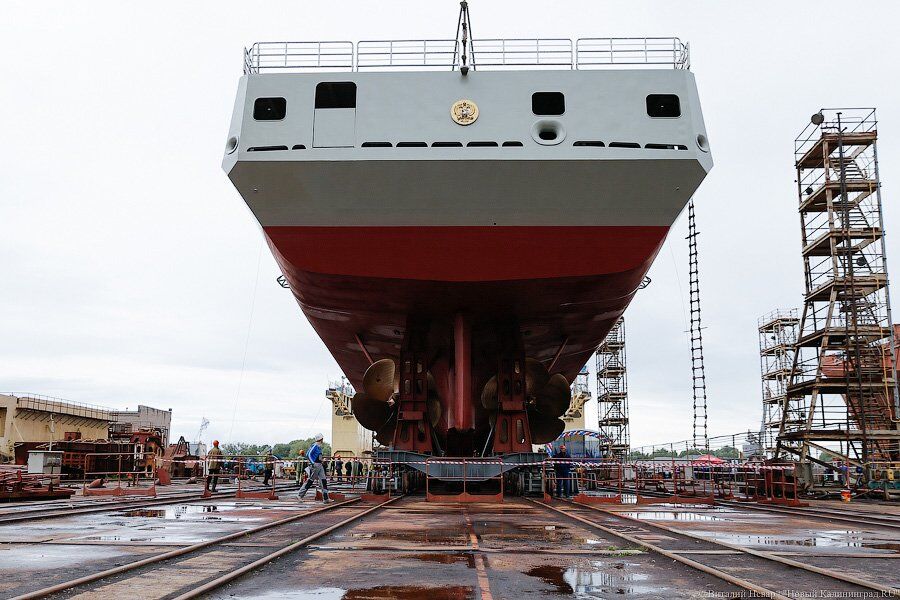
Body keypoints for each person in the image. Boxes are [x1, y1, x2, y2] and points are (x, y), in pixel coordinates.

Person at [298, 434, 331, 502]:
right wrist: (313, 463)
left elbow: (317, 456)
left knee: (323, 481)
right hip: (315, 465)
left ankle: (326, 498)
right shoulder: (315, 446)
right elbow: (308, 454)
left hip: (319, 465)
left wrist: (321, 460)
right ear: (320, 439)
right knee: (310, 481)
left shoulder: (318, 447)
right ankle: (300, 495)